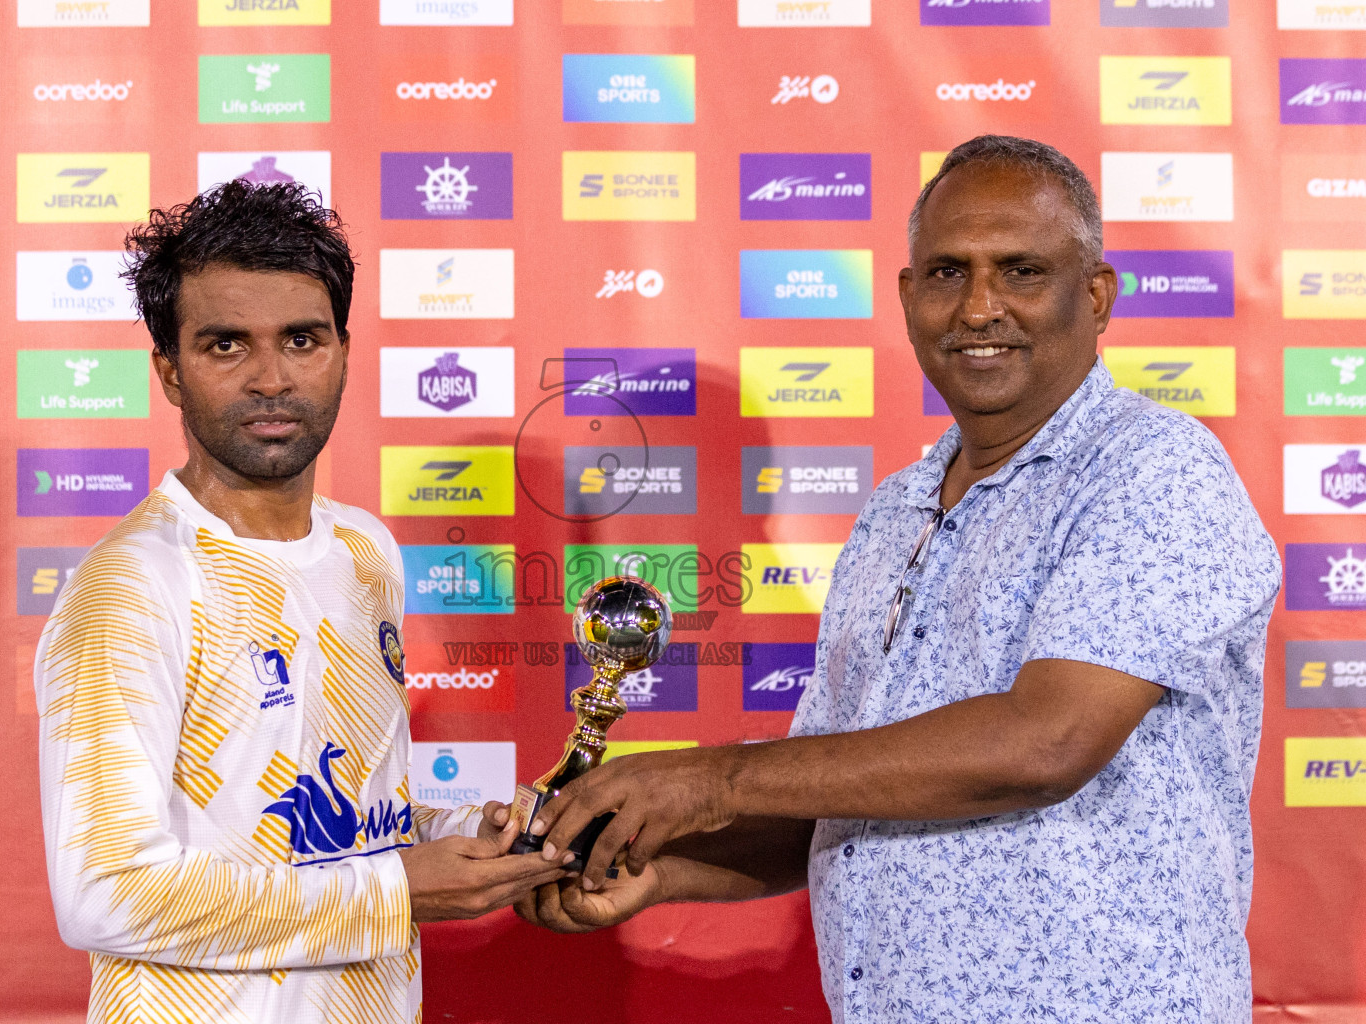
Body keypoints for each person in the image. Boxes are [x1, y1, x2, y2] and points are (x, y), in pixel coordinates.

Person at [510, 135, 1281, 1023]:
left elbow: (1048, 741)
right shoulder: (896, 509)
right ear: (910, 298)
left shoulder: (1153, 469)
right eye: (949, 273)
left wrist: (710, 780)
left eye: (1022, 271)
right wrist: (652, 871)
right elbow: (830, 802)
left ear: (1097, 295)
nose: (981, 307)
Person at [34, 181, 565, 1024]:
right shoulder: (131, 585)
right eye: (225, 346)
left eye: (302, 340)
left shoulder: (365, 550)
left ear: (344, 352)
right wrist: (394, 894)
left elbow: (345, 822)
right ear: (170, 373)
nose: (271, 378)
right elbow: (107, 891)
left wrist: (480, 829)